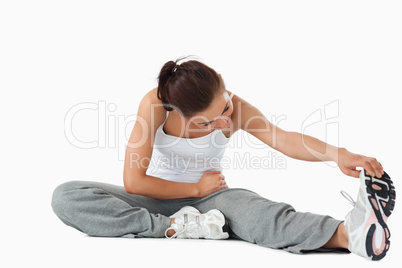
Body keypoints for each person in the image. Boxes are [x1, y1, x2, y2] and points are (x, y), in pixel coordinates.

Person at [51, 56, 395, 261]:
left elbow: (282, 138)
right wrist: (195, 190)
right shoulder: (154, 106)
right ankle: (173, 229)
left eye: (225, 108)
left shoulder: (234, 106)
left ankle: (350, 234)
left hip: (214, 200)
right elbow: (133, 182)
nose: (225, 122)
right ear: (177, 111)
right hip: (153, 198)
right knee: (67, 196)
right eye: (207, 122)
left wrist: (338, 154)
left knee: (259, 214)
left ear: (224, 88)